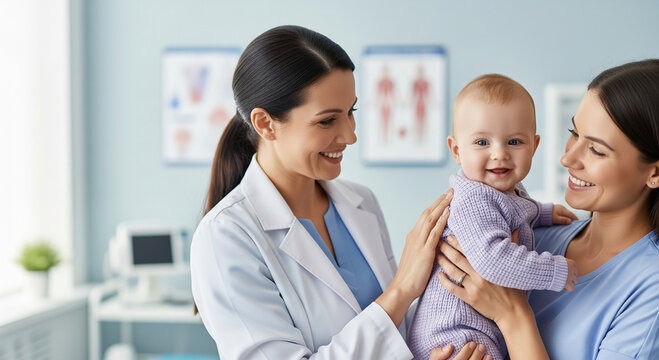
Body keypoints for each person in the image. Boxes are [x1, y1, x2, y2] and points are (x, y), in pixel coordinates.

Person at [189, 25, 489, 360]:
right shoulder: (226, 236)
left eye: (351, 112)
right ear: (265, 124)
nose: (349, 135)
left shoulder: (362, 203)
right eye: (327, 121)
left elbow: (395, 341)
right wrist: (402, 290)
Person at [437, 59, 659, 359]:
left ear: (654, 172)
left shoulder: (650, 290)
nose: (568, 159)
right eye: (574, 133)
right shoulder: (534, 236)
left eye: (596, 149)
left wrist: (513, 314)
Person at [408, 74, 579, 360]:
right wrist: (555, 271)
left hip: (474, 327)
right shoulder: (474, 198)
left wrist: (544, 212)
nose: (499, 154)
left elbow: (515, 211)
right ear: (456, 150)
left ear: (534, 146)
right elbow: (493, 260)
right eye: (482, 142)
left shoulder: (501, 192)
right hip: (454, 336)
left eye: (514, 141)